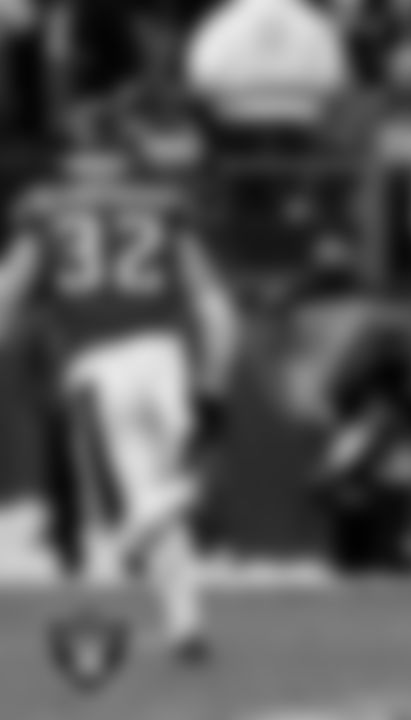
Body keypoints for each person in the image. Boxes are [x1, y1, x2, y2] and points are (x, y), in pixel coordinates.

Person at [0, 117, 239, 673]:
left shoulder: (46, 211)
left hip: (96, 368)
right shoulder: (162, 206)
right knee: (174, 490)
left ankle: (121, 554)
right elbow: (216, 308)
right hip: (163, 358)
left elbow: (8, 292)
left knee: (150, 497)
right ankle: (186, 627)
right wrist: (214, 384)